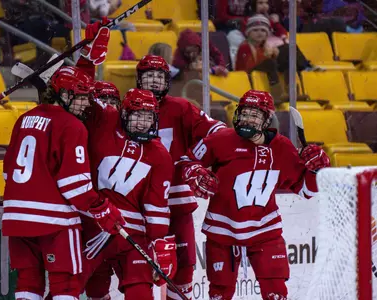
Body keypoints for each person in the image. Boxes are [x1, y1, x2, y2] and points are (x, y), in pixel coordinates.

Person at [180, 90, 331, 300]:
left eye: (254, 115)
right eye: (244, 113)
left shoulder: (282, 147)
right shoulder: (220, 140)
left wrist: (315, 170)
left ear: (266, 119)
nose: (247, 119)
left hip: (265, 231)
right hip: (222, 232)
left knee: (276, 293)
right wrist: (193, 172)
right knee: (219, 294)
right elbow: (185, 161)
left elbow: (306, 190)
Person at [2, 44, 125, 300]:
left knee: (28, 281)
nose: (84, 104)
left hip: (16, 218)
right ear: (64, 95)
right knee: (66, 284)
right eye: (80, 97)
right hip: (54, 221)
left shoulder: (24, 119)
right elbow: (75, 187)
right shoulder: (72, 126)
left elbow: (7, 172)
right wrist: (102, 209)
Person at [136, 54, 226, 300]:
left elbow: (217, 132)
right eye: (149, 76)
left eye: (159, 76)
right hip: (139, 204)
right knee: (138, 268)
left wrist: (197, 160)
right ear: (138, 80)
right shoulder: (129, 109)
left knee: (184, 265)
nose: (154, 81)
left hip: (176, 201)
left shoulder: (180, 107)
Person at [80, 88, 177, 300]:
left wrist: (159, 244)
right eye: (137, 115)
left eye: (148, 117)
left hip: (131, 233)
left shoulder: (160, 155)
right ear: (124, 114)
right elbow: (85, 100)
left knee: (140, 290)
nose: (143, 123)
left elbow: (156, 207)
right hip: (92, 225)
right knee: (71, 287)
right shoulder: (106, 124)